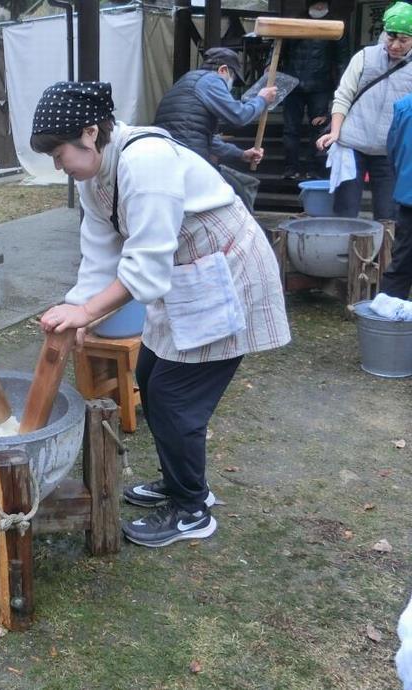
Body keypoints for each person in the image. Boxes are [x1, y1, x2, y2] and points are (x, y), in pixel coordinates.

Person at [31, 81, 291, 548]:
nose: (58, 165)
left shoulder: (145, 163)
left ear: (90, 133)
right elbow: (101, 252)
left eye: (58, 153)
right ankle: (179, 484)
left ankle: (192, 508)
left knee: (175, 399)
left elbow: (145, 271)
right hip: (186, 276)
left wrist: (87, 311)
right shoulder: (96, 180)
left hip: (226, 271)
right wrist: (80, 311)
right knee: (150, 375)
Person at [316, 0, 412, 221]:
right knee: (345, 211)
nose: (395, 45)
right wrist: (335, 132)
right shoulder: (365, 57)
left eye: (404, 40)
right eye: (391, 37)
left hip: (389, 151)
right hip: (351, 146)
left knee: (388, 215)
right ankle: (342, 254)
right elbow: (343, 95)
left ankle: (383, 256)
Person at [152, 46, 276, 212]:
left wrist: (241, 154)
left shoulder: (188, 81)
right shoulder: (211, 80)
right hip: (189, 158)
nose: (231, 85)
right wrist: (261, 100)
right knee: (240, 192)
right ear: (223, 70)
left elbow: (206, 140)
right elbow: (238, 116)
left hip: (172, 157)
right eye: (232, 77)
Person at [278, 0, 350, 180]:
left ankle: (309, 168)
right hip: (299, 83)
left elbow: (342, 60)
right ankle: (293, 168)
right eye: (317, 3)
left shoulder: (334, 27)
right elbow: (280, 52)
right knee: (294, 129)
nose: (320, 7)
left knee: (315, 129)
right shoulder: (299, 26)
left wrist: (342, 87)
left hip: (317, 85)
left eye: (322, 4)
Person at [380, 93, 412, 298]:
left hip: (408, 195)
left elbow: (392, 151)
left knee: (401, 264)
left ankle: (385, 324)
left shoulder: (404, 106)